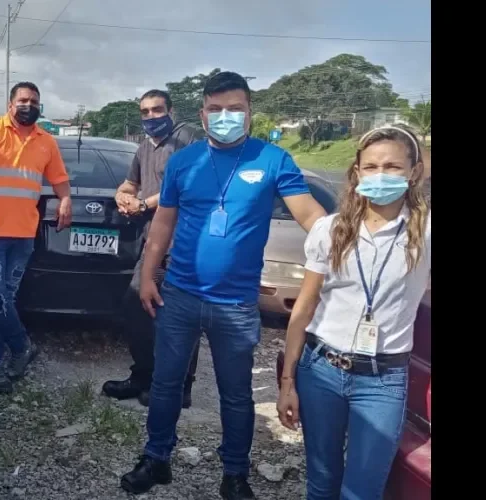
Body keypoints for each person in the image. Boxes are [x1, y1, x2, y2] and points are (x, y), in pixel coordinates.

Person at [121, 71, 327, 499]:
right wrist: (146, 275)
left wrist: (350, 239)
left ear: (250, 113)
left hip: (235, 305)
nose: (225, 116)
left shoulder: (273, 160)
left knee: (236, 395)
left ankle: (234, 474)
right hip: (179, 294)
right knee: (165, 384)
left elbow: (311, 216)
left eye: (234, 109)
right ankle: (156, 457)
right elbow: (162, 223)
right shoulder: (184, 161)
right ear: (202, 113)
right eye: (215, 110)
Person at [276, 125, 431, 500]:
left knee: (361, 491)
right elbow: (305, 307)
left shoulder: (425, 232)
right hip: (321, 372)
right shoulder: (331, 230)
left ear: (413, 172)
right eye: (371, 166)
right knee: (322, 483)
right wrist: (287, 382)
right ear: (357, 172)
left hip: (383, 380)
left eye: (393, 166)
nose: (381, 175)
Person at [0, 81, 72, 393]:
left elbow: (59, 178)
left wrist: (65, 199)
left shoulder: (46, 141)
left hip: (23, 236)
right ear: (10, 104)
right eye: (23, 100)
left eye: (34, 101)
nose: (29, 105)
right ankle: (22, 346)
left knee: (3, 300)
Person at [102, 89, 204, 408]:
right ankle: (144, 374)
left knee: (181, 313)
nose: (150, 117)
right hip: (153, 242)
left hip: (186, 242)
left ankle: (181, 385)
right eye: (144, 112)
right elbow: (130, 182)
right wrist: (123, 195)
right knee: (136, 304)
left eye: (157, 110)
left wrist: (144, 203)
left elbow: (187, 184)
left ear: (170, 110)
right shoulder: (145, 147)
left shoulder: (188, 139)